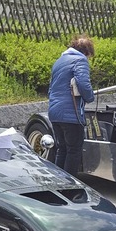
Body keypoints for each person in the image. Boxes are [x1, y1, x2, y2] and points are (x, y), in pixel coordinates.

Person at [48, 35, 95, 177]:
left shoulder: (59, 61)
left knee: (61, 149)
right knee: (73, 150)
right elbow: (83, 83)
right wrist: (90, 97)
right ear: (86, 52)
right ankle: (69, 187)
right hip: (70, 114)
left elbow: (51, 88)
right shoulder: (80, 60)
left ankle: (59, 183)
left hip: (55, 112)